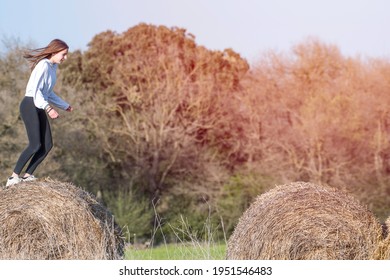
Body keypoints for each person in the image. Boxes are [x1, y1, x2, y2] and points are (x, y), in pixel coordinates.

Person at [6, 39, 73, 187]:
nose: (65, 58)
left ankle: (27, 175)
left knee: (47, 144)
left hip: (39, 104)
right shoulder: (43, 65)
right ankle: (13, 177)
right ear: (55, 52)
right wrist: (49, 109)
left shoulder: (52, 67)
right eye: (64, 54)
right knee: (35, 144)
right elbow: (36, 92)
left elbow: (47, 93)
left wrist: (64, 105)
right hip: (30, 104)